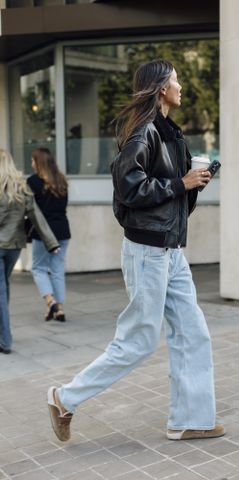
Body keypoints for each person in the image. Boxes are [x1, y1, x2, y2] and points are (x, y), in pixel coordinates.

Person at [47, 59, 224, 442]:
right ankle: (64, 398)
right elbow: (129, 190)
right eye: (176, 81)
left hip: (171, 249)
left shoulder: (170, 133)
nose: (181, 87)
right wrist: (181, 184)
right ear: (162, 88)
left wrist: (193, 184)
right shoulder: (143, 133)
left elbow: (171, 194)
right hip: (147, 251)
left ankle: (190, 419)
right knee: (139, 340)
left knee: (193, 333)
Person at [0, 149, 60, 354]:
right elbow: (36, 216)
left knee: (1, 291)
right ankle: (3, 331)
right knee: (3, 288)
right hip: (14, 248)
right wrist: (51, 242)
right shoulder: (21, 186)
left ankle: (5, 340)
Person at [27, 148, 71, 322]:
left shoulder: (32, 181)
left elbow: (31, 210)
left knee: (38, 268)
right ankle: (59, 309)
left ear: (39, 163)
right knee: (57, 269)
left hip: (44, 233)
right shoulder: (62, 180)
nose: (31, 163)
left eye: (33, 160)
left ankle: (50, 301)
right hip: (63, 231)